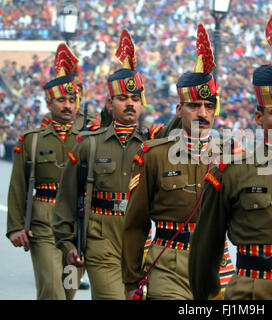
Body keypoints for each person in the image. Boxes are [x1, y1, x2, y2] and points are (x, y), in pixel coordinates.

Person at [188, 8, 272, 300]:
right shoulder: (230, 173)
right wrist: (205, 296)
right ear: (258, 117)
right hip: (250, 291)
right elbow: (206, 245)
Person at [122, 24, 235, 300]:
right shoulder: (154, 155)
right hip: (168, 264)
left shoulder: (231, 157)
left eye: (209, 107)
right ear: (179, 110)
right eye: (194, 106)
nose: (202, 113)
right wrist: (131, 280)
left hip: (216, 266)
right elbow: (136, 222)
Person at [52, 30, 159, 300]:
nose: (131, 104)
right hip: (101, 235)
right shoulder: (90, 144)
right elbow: (67, 195)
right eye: (124, 98)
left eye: (135, 99)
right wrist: (66, 243)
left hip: (140, 235)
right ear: (110, 103)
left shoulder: (152, 144)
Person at [6, 44, 87, 300]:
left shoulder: (89, 139)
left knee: (69, 288)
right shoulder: (32, 141)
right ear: (48, 102)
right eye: (61, 100)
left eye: (71, 100)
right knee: (52, 291)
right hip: (44, 223)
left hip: (78, 224)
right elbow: (18, 186)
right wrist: (16, 227)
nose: (67, 105)